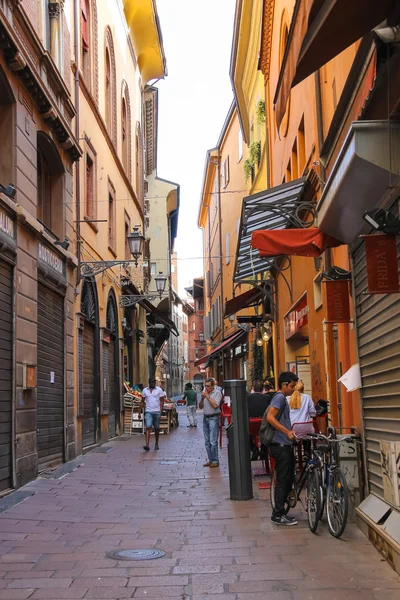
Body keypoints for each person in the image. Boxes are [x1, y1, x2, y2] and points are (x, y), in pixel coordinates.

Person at [267, 371, 299, 526]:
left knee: (286, 478)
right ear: (284, 385)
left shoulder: (282, 399)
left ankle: (282, 512)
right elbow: (270, 417)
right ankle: (278, 514)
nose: (293, 389)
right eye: (292, 386)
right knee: (282, 479)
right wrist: (286, 431)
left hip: (284, 444)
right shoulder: (279, 398)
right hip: (280, 445)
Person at [199, 377, 222, 468]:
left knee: (213, 441)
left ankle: (215, 461)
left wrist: (208, 397)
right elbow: (200, 407)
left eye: (208, 386)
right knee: (207, 441)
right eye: (205, 386)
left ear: (213, 386)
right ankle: (211, 459)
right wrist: (201, 399)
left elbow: (216, 405)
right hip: (205, 418)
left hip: (213, 418)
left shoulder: (217, 393)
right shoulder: (204, 394)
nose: (206, 388)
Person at [247, 379, 272, 460]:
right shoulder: (267, 397)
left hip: (251, 426)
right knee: (270, 433)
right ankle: (263, 450)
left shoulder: (247, 397)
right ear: (263, 389)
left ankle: (254, 449)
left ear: (253, 388)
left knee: (244, 435)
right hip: (264, 426)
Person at [140, 378, 166, 452]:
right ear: (149, 383)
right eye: (152, 382)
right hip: (148, 412)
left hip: (157, 412)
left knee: (157, 428)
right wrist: (139, 412)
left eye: (154, 382)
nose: (153, 383)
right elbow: (142, 401)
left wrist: (160, 410)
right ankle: (147, 445)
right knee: (148, 427)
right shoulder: (145, 390)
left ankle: (156, 443)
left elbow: (162, 401)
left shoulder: (159, 390)